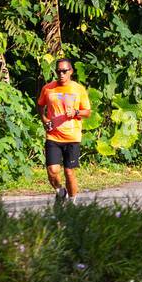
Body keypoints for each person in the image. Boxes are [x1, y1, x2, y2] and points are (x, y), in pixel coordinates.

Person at [36, 58, 91, 202]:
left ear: (71, 72)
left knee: (69, 172)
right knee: (53, 171)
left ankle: (72, 202)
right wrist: (44, 119)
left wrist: (76, 113)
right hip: (53, 136)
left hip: (72, 137)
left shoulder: (78, 89)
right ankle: (61, 192)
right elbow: (40, 105)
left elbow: (87, 112)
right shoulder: (48, 88)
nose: (61, 74)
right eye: (59, 71)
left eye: (64, 71)